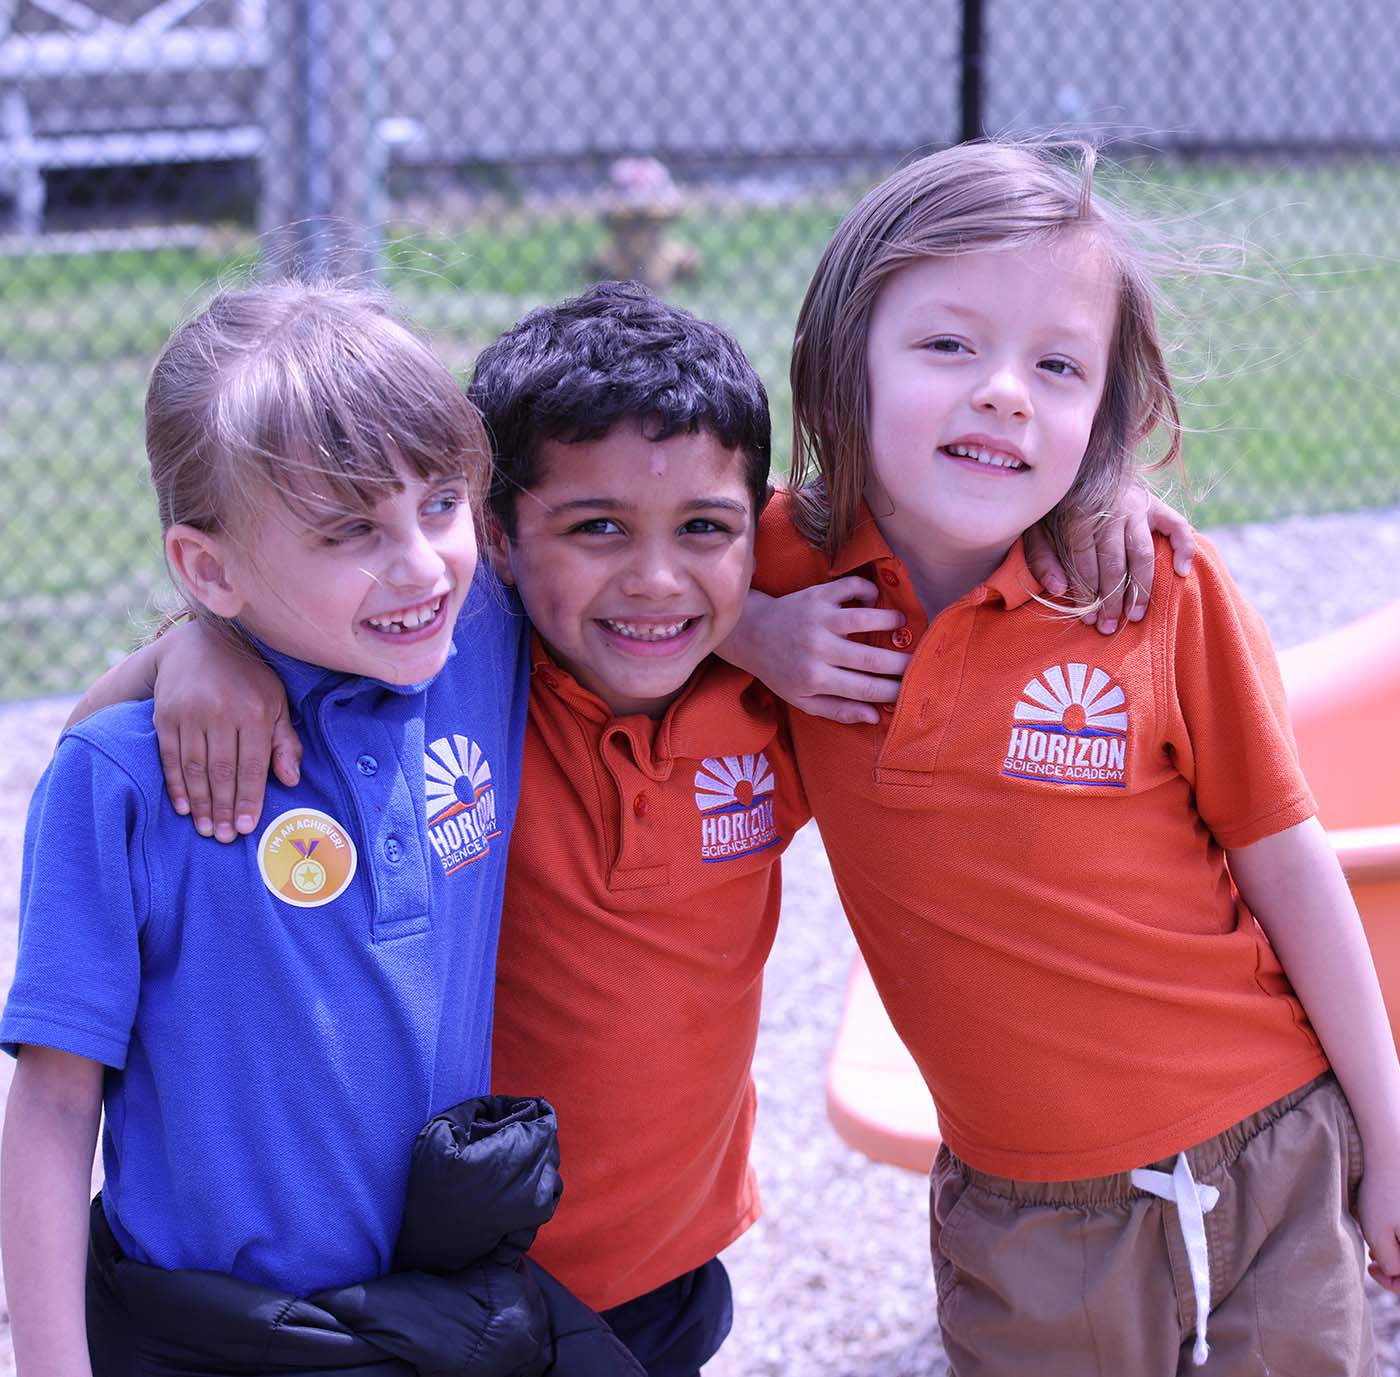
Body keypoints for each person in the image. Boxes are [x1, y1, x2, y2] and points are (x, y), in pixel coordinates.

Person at [66, 279, 1193, 1375]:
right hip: (465, 1274)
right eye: (598, 527)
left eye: (704, 530)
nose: (653, 578)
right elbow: (293, 594)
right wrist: (197, 645)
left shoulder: (797, 683)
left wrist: (1088, 498)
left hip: (670, 1268)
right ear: (503, 541)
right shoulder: (468, 668)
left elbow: (946, 530)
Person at [744, 138, 1400, 1374]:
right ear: (845, 360)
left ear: (1099, 414)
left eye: (1056, 367)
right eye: (947, 345)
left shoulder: (1153, 591)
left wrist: (1388, 1134)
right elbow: (562, 573)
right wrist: (748, 627)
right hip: (1017, 1215)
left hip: (1266, 1149)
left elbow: (1290, 867)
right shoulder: (774, 567)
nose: (1004, 392)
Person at [0, 280, 642, 1377]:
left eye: (439, 504)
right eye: (351, 530)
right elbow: (53, 1109)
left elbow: (695, 515)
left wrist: (770, 626)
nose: (418, 563)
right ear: (209, 569)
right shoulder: (124, 781)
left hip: (440, 1297)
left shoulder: (477, 635)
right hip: (209, 1332)